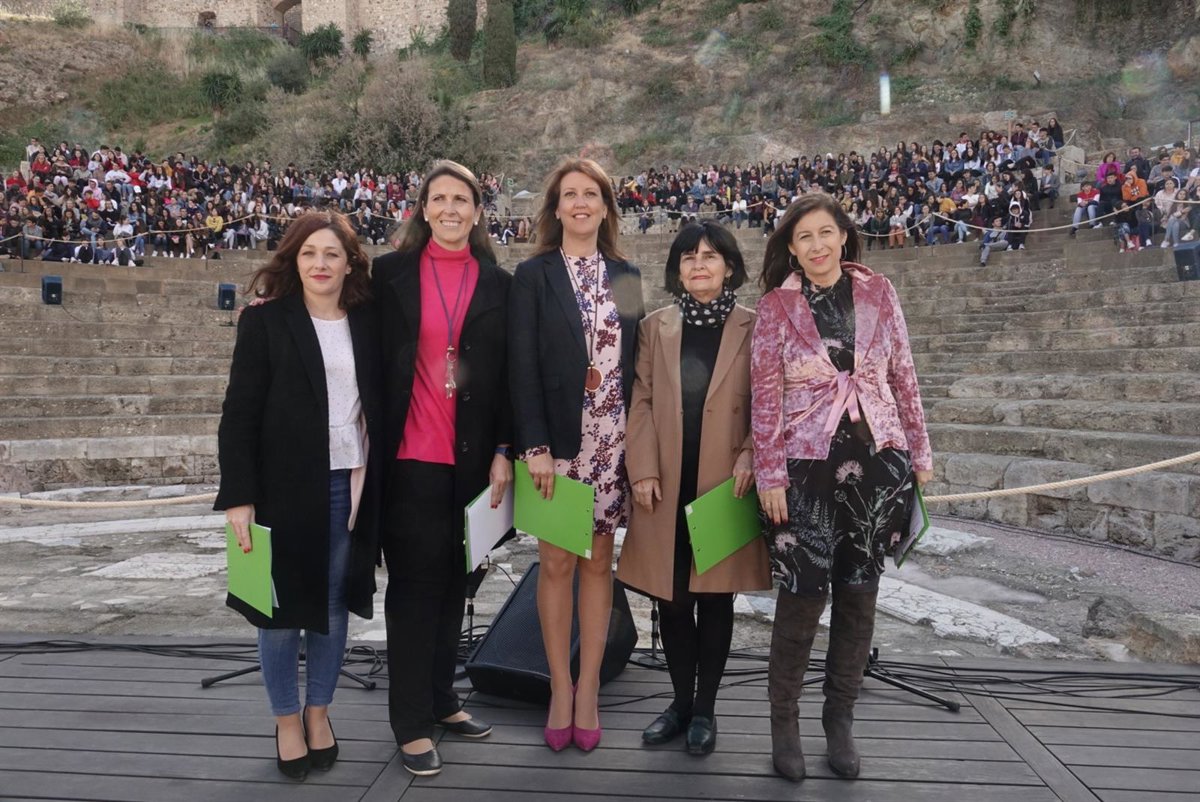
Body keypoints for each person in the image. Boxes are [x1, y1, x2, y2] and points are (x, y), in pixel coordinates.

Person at [751, 192, 932, 782]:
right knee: (802, 596)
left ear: (844, 236)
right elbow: (764, 396)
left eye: (826, 233)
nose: (818, 245)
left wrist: (919, 452)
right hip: (805, 469)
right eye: (804, 236)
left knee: (859, 593)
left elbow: (903, 374)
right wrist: (769, 473)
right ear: (791, 248)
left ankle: (839, 719)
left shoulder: (880, 292)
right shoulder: (776, 307)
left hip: (877, 462)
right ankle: (784, 723)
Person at [214, 210, 382, 781]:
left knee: (333, 607)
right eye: (309, 253)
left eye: (332, 253)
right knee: (279, 612)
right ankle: (286, 718)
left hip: (347, 484)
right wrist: (239, 497)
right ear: (294, 259)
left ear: (350, 264)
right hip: (281, 488)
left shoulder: (367, 322)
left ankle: (319, 713)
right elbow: (239, 415)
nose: (320, 263)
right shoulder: (266, 321)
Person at [372, 161, 512, 777]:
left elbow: (508, 376)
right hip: (410, 460)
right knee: (413, 591)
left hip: (472, 463)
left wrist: (504, 449)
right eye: (440, 199)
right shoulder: (390, 274)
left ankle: (441, 698)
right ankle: (409, 722)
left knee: (458, 583)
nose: (451, 209)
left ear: (477, 212)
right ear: (424, 209)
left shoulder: (500, 284)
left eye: (462, 199)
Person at [618, 222, 770, 756]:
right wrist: (641, 467)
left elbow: (769, 399)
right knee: (674, 599)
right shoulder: (655, 326)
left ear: (729, 266)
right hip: (666, 481)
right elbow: (639, 401)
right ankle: (680, 703)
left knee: (716, 597)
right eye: (688, 257)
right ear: (676, 269)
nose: (699, 264)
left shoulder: (756, 325)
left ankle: (705, 709)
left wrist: (752, 451)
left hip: (725, 481)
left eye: (709, 256)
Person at [509, 157, 645, 753]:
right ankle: (559, 687)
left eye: (592, 193)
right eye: (570, 194)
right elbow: (521, 366)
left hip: (611, 441)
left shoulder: (627, 274)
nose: (581, 203)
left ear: (606, 207)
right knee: (557, 563)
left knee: (597, 564)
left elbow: (637, 361)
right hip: (556, 448)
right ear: (556, 208)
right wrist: (534, 446)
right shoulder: (533, 276)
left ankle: (588, 687)